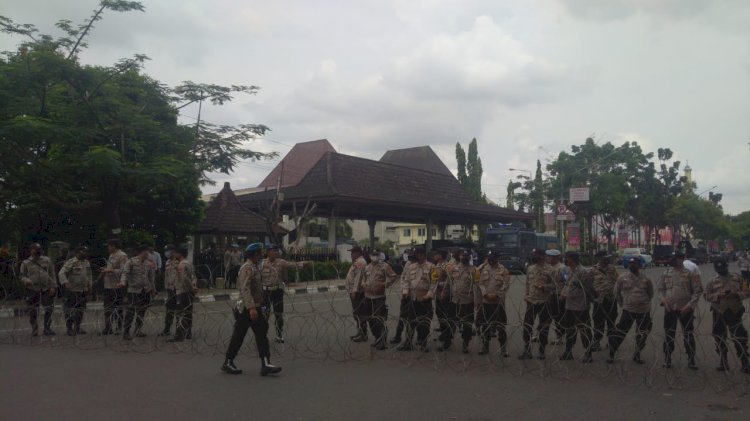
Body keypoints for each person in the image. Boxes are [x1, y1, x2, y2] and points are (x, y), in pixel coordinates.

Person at [222, 243, 282, 376]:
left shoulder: (255, 267)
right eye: (260, 253)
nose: (262, 255)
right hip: (246, 309)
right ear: (255, 255)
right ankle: (228, 362)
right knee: (238, 336)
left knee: (262, 335)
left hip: (257, 307)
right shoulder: (247, 268)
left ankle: (266, 364)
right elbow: (245, 288)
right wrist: (251, 308)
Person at [703, 258, 750, 373]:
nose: (721, 270)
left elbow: (747, 291)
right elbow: (706, 296)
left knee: (740, 338)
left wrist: (737, 294)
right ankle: (723, 362)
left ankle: (745, 363)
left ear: (726, 267)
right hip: (718, 312)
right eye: (718, 268)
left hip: (734, 312)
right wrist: (718, 295)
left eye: (723, 267)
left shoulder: (737, 278)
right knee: (719, 338)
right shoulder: (712, 281)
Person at [658, 251, 702, 369]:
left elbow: (697, 292)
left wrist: (689, 306)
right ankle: (667, 358)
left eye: (675, 258)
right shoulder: (666, 273)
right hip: (670, 309)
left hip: (685, 309)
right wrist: (663, 300)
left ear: (681, 259)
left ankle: (691, 359)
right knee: (669, 334)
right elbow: (660, 289)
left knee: (688, 334)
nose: (673, 260)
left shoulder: (690, 274)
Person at [606, 258, 654, 364]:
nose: (633, 265)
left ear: (639, 265)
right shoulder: (622, 278)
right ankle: (612, 353)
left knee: (642, 333)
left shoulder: (646, 279)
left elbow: (650, 293)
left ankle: (637, 354)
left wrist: (643, 302)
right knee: (620, 332)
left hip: (643, 310)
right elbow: (617, 292)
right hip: (628, 310)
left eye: (635, 263)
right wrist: (622, 304)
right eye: (631, 263)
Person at [260, 244, 310, 343]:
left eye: (276, 251)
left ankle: (279, 334)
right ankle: (262, 335)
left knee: (279, 314)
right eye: (273, 250)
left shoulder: (281, 262)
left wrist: (304, 264)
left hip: (277, 291)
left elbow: (292, 265)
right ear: (268, 252)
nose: (275, 252)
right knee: (264, 314)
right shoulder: (262, 263)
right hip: (265, 292)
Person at [560, 251, 597, 363]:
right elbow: (567, 285)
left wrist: (592, 300)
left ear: (572, 259)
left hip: (581, 306)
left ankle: (588, 352)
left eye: (567, 258)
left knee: (584, 330)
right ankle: (568, 351)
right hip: (569, 305)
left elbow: (589, 289)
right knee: (569, 330)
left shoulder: (584, 272)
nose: (566, 260)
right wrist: (563, 294)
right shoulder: (569, 271)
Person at [442, 249, 480, 354]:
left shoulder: (474, 270)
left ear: (469, 257)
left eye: (467, 256)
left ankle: (465, 344)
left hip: (467, 301)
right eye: (463, 256)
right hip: (455, 300)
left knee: (467, 324)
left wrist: (477, 301)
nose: (465, 258)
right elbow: (449, 282)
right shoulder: (454, 268)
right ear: (460, 256)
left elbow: (476, 287)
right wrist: (444, 293)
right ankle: (447, 342)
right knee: (450, 321)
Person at [399, 247, 436, 352]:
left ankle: (424, 344)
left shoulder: (431, 267)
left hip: (424, 299)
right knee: (410, 322)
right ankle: (408, 343)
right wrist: (405, 292)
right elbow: (406, 280)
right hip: (413, 299)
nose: (416, 256)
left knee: (424, 324)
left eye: (418, 254)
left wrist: (429, 295)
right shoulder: (412, 267)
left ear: (423, 255)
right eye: (416, 254)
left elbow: (434, 283)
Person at [520, 249, 555, 360]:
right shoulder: (530, 268)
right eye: (534, 255)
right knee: (527, 326)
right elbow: (527, 284)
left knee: (544, 327)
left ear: (543, 256)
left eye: (537, 255)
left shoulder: (550, 269)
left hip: (544, 302)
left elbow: (555, 286)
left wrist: (544, 287)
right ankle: (527, 349)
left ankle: (542, 350)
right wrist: (526, 296)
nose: (535, 257)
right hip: (531, 302)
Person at [359, 249, 397, 350]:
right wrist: (363, 285)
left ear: (379, 255)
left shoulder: (384, 266)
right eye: (373, 254)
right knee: (370, 320)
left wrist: (385, 284)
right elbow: (363, 279)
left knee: (379, 319)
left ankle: (383, 341)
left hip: (379, 297)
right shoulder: (367, 267)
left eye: (376, 254)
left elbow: (393, 276)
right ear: (370, 256)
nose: (374, 256)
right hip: (368, 297)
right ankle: (377, 338)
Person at [476, 251, 511, 356]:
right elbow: (481, 283)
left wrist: (497, 295)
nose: (491, 260)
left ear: (497, 259)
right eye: (490, 258)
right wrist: (485, 294)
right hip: (486, 302)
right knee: (485, 326)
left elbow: (506, 285)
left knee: (501, 327)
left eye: (493, 258)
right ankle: (485, 347)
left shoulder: (503, 270)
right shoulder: (484, 269)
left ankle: (503, 349)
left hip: (498, 303)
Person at [119, 245, 156, 340]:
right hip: (134, 291)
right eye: (147, 252)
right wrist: (122, 282)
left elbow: (151, 278)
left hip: (145, 290)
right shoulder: (131, 262)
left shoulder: (148, 263)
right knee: (131, 311)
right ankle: (126, 332)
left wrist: (153, 290)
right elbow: (125, 273)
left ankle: (138, 329)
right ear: (142, 252)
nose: (149, 254)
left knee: (142, 311)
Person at [20, 243, 57, 336]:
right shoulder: (26, 262)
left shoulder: (47, 260)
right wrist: (26, 280)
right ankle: (34, 328)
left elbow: (52, 274)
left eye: (39, 249)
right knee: (33, 310)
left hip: (46, 288)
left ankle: (47, 328)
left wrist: (53, 286)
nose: (37, 250)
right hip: (32, 289)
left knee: (49, 308)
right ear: (31, 250)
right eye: (35, 249)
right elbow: (21, 276)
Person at [58, 246, 93, 336]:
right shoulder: (71, 262)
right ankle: (69, 328)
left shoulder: (86, 262)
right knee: (69, 310)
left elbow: (89, 275)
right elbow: (61, 273)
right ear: (77, 252)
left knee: (80, 310)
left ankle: (77, 327)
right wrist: (65, 282)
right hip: (72, 290)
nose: (85, 253)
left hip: (82, 290)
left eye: (86, 251)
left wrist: (90, 285)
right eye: (83, 251)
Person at [167, 246, 198, 342]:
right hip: (189, 292)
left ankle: (179, 335)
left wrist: (192, 287)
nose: (174, 255)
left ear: (179, 254)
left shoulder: (181, 265)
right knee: (188, 312)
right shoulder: (189, 263)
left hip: (182, 291)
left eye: (175, 253)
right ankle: (188, 333)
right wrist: (194, 286)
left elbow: (184, 278)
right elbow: (193, 276)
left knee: (180, 313)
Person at [590, 251, 619, 352]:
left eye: (607, 257)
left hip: (611, 300)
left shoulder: (613, 269)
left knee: (611, 322)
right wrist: (593, 296)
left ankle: (611, 342)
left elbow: (618, 281)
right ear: (598, 258)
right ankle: (596, 342)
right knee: (598, 322)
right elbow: (588, 285)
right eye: (604, 258)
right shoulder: (593, 270)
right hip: (599, 301)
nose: (607, 260)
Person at [100, 239, 128, 335]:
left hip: (117, 286)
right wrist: (105, 269)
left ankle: (119, 328)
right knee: (107, 308)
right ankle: (108, 328)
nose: (108, 248)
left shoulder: (122, 256)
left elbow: (124, 270)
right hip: (108, 285)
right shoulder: (111, 255)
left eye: (109, 246)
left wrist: (110, 271)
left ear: (114, 246)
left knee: (118, 309)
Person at [390, 248, 415, 345]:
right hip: (406, 295)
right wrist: (404, 291)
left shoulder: (422, 266)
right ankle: (398, 336)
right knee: (402, 317)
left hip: (416, 297)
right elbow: (403, 277)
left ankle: (419, 339)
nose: (410, 258)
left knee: (414, 319)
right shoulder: (408, 264)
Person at [346, 246, 369, 342]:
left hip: (358, 292)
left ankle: (363, 334)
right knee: (356, 314)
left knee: (360, 314)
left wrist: (355, 291)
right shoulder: (357, 262)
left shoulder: (360, 262)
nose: (351, 255)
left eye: (352, 253)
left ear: (358, 253)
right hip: (354, 291)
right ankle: (360, 332)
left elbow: (358, 278)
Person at [432, 250, 452, 348]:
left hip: (445, 295)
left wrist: (442, 285)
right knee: (439, 314)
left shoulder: (447, 266)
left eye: (436, 254)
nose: (434, 256)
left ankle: (447, 339)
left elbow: (450, 280)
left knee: (446, 316)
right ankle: (444, 333)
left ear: (440, 255)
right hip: (438, 294)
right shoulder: (437, 265)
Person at [546, 249, 566, 344]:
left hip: (559, 296)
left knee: (559, 317)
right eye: (548, 256)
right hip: (549, 296)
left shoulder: (562, 268)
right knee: (549, 316)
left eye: (550, 256)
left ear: (556, 258)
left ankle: (559, 336)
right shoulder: (548, 268)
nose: (548, 258)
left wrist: (564, 294)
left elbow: (567, 282)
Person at [158, 244, 178, 337]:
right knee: (169, 310)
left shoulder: (179, 262)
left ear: (173, 251)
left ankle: (180, 330)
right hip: (170, 290)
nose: (167, 253)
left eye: (168, 251)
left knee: (179, 310)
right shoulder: (167, 262)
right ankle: (166, 329)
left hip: (178, 290)